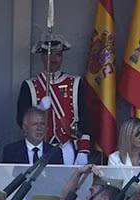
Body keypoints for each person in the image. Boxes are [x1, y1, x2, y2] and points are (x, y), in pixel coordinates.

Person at [16, 37, 90, 166]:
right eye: (50, 55)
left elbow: (85, 118)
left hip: (67, 145)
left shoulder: (75, 83)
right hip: (41, 146)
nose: (54, 59)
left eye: (58, 55)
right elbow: (21, 119)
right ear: (42, 57)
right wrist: (39, 108)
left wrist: (83, 150)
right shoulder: (30, 85)